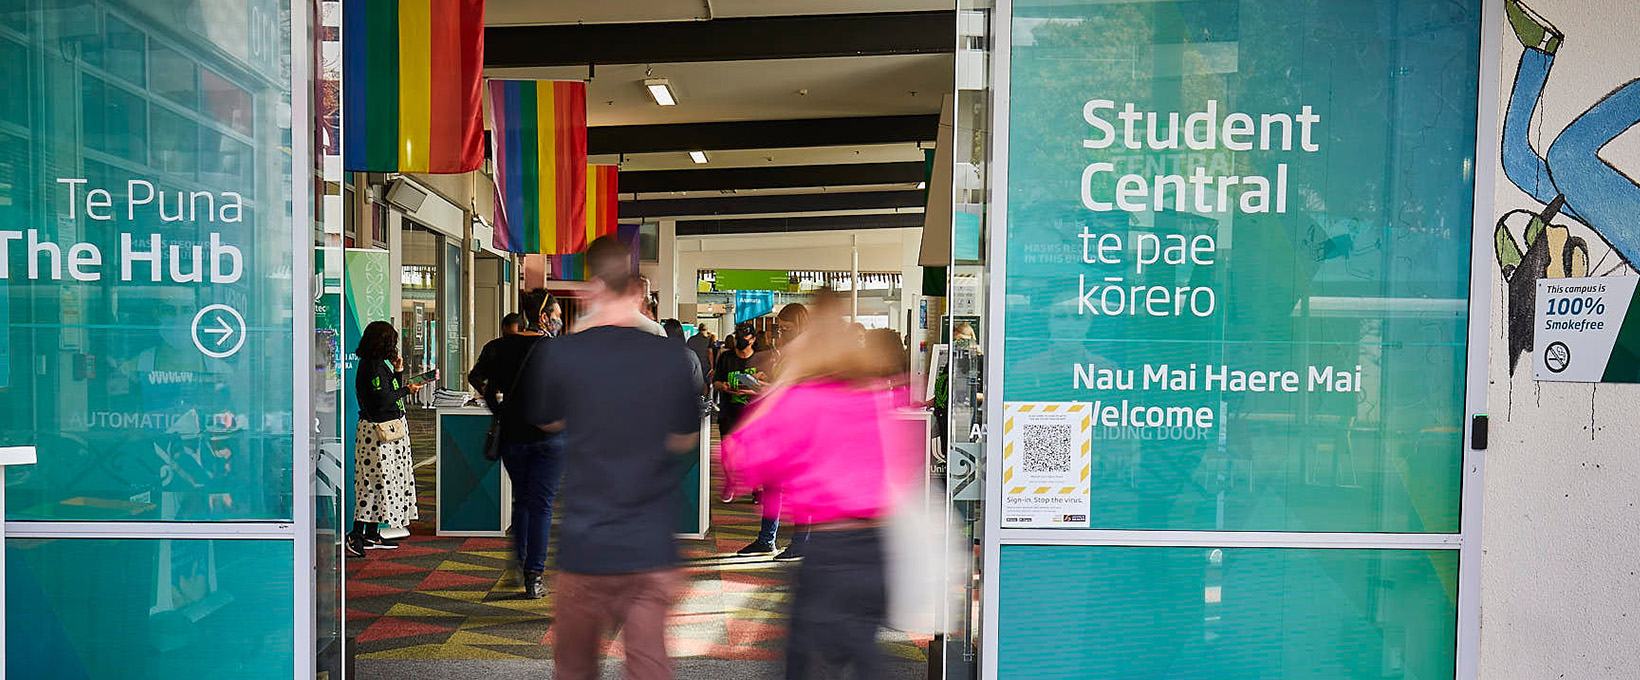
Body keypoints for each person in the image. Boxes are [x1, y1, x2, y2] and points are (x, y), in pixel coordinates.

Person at [523, 235, 702, 680]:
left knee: (576, 669)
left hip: (587, 544)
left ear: (593, 286)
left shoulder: (564, 353)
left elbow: (547, 421)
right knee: (648, 667)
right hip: (650, 543)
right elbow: (684, 439)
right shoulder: (672, 357)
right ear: (637, 291)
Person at [721, 290, 917, 679]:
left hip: (832, 550)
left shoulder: (803, 400)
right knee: (864, 654)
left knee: (804, 661)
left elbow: (743, 462)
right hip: (881, 548)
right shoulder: (877, 396)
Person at [467, 289, 561, 599]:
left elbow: (486, 385)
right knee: (542, 506)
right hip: (549, 439)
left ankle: (520, 562)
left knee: (522, 501)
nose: (559, 322)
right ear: (544, 317)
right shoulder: (555, 349)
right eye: (558, 317)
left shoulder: (500, 347)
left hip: (513, 439)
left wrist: (503, 414)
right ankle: (534, 576)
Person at [349, 321, 430, 557]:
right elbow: (383, 400)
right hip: (377, 434)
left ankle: (371, 533)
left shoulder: (377, 365)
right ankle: (356, 534)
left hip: (387, 431)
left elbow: (388, 390)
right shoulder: (371, 367)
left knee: (382, 483)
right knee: (371, 484)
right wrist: (407, 390)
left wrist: (398, 372)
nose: (393, 346)